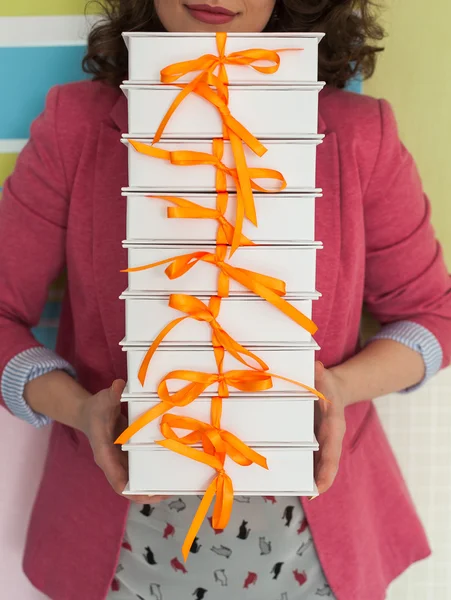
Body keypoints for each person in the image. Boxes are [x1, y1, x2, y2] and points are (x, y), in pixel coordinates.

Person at [1, 1, 450, 599]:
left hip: (316, 553)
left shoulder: (359, 134)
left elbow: (433, 318)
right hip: (114, 552)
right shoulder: (74, 126)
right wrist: (80, 409)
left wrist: (340, 388)